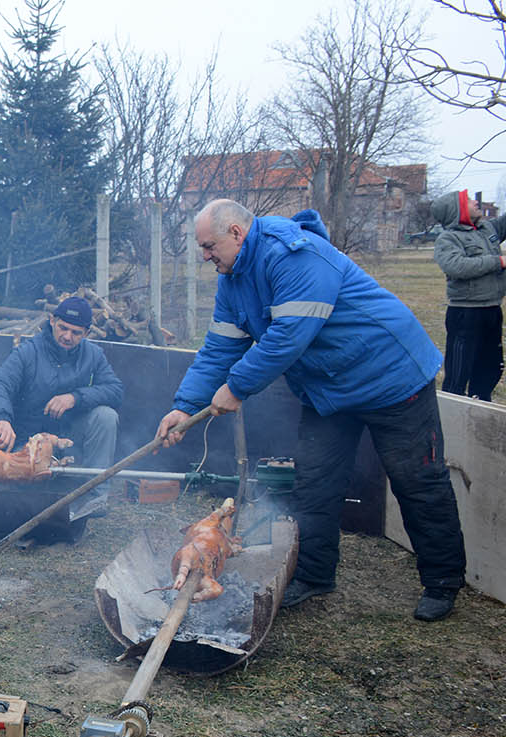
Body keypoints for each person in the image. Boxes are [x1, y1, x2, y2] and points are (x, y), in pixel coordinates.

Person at [157, 199, 466, 621]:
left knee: (417, 481)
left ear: (236, 233)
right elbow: (217, 350)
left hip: (390, 376)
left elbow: (288, 337)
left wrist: (238, 387)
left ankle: (443, 583)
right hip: (330, 390)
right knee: (316, 485)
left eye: (209, 246)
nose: (205, 256)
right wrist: (184, 406)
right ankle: (315, 575)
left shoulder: (296, 256)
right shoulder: (233, 282)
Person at [0, 295, 123, 478]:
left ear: (86, 333)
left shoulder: (93, 355)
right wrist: (2, 419)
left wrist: (75, 398)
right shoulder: (28, 351)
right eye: (63, 328)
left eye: (75, 332)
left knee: (106, 416)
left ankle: (94, 496)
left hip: (71, 437)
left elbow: (115, 390)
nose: (67, 336)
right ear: (52, 321)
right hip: (28, 438)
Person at [431, 189, 506, 401]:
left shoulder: (486, 229)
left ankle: (481, 407)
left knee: (490, 367)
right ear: (459, 210)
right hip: (466, 313)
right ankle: (451, 418)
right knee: (459, 372)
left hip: (492, 309)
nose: (476, 202)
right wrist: (497, 261)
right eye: (469, 200)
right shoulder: (448, 238)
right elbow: (456, 266)